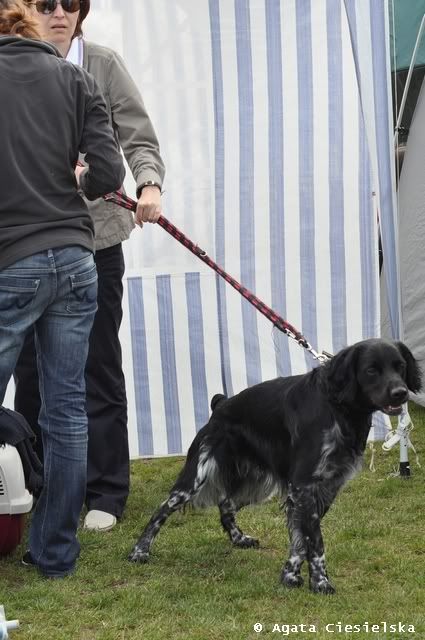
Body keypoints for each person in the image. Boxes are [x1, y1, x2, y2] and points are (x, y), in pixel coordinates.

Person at [16, 0, 166, 531]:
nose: (59, 12)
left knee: (97, 363)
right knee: (30, 371)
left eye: (70, 3)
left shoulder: (101, 64)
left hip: (95, 242)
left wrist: (149, 184)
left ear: (82, 11)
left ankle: (105, 490)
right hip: (26, 243)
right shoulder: (15, 66)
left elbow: (137, 134)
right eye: (45, 3)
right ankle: (34, 485)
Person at [0, 0, 125, 576]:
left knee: (61, 406)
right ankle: (54, 554)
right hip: (76, 258)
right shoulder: (75, 78)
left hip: (12, 260)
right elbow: (107, 176)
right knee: (68, 410)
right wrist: (78, 177)